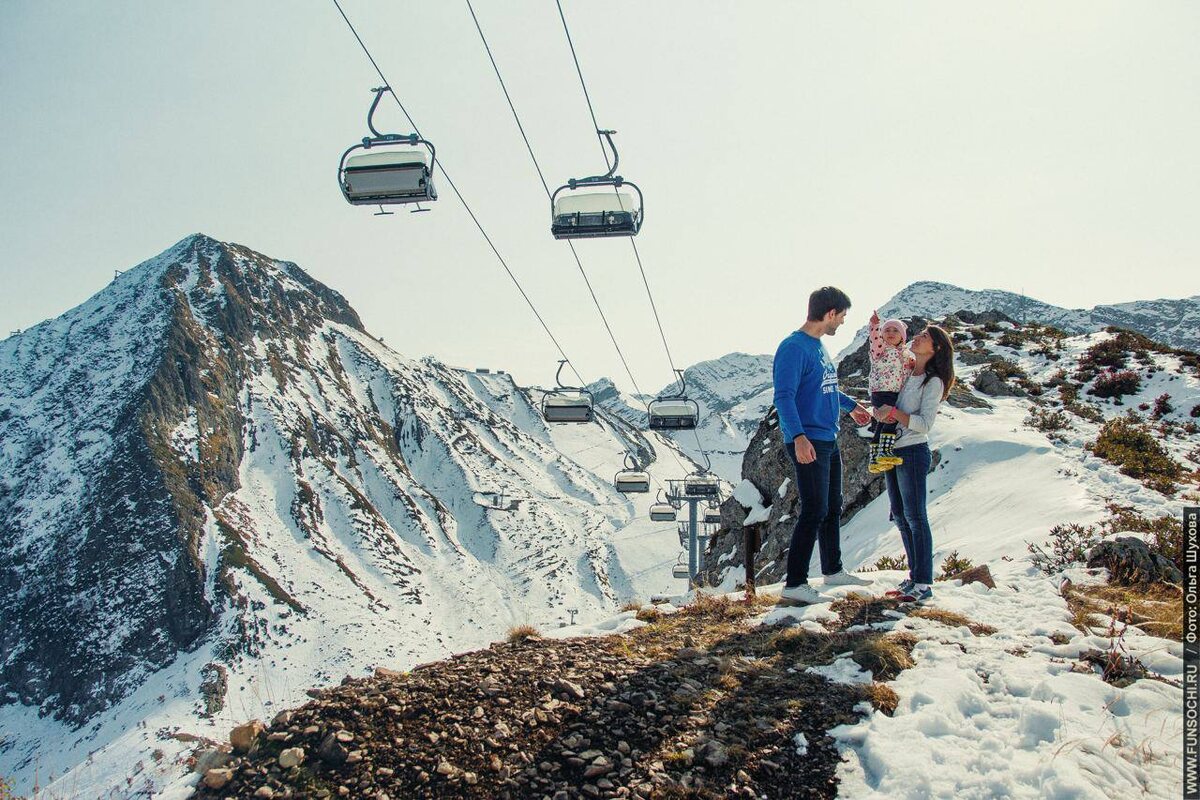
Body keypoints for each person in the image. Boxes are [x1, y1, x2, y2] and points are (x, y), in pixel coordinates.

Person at [773, 286, 874, 606]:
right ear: (830, 313)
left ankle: (833, 570)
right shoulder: (793, 348)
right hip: (809, 439)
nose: (842, 322)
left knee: (832, 506)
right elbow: (783, 397)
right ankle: (795, 584)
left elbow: (824, 388)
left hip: (827, 437)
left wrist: (851, 406)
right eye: (842, 316)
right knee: (814, 509)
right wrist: (798, 437)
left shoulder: (817, 346)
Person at [875, 325, 956, 603]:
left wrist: (895, 413)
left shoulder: (933, 382)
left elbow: (924, 424)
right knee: (900, 515)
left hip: (912, 450)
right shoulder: (908, 374)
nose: (917, 338)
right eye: (919, 334)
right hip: (894, 450)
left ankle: (923, 582)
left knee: (915, 516)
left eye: (924, 337)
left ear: (935, 349)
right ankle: (913, 577)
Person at [866, 311, 914, 474]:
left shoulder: (905, 354)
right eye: (887, 330)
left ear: (902, 336)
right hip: (882, 390)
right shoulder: (880, 350)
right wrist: (874, 326)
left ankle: (874, 458)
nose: (891, 333)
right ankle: (885, 452)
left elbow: (909, 369)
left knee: (882, 422)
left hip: (895, 392)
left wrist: (913, 364)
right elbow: (874, 340)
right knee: (891, 418)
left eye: (895, 331)